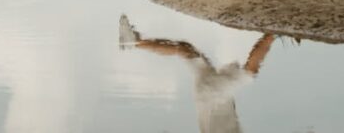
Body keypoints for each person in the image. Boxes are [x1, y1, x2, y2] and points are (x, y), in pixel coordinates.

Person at [119, 14, 278, 133]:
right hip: (205, 97)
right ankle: (134, 42)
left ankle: (273, 33)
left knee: (249, 72)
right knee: (185, 49)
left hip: (214, 93)